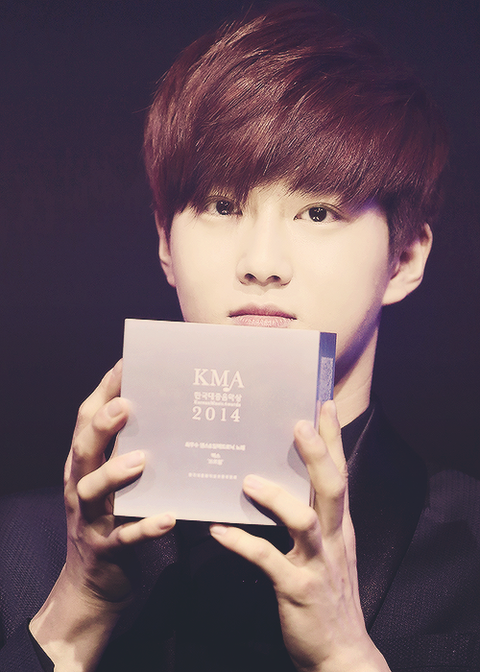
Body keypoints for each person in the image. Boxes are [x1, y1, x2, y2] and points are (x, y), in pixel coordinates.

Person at [1, 3, 479, 670]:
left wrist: (347, 656)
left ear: (405, 258)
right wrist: (74, 615)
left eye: (318, 212)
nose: (261, 262)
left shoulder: (466, 557)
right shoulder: (19, 551)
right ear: (165, 243)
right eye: (224, 206)